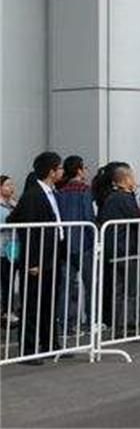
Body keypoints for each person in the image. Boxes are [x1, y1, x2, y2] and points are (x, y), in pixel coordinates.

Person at [7, 152, 67, 364]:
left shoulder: (52, 193)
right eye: (60, 168)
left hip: (52, 255)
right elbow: (29, 230)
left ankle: (50, 344)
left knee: (50, 302)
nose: (62, 171)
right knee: (32, 304)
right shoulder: (33, 195)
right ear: (51, 171)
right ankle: (28, 349)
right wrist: (32, 262)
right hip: (37, 259)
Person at [96, 165, 140, 335]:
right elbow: (136, 218)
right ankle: (127, 324)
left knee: (118, 290)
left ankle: (118, 324)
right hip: (128, 249)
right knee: (130, 290)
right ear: (126, 179)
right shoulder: (125, 198)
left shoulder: (110, 198)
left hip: (114, 250)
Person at [55, 155, 95, 333]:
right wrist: (95, 238)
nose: (86, 171)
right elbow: (88, 216)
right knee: (90, 284)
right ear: (79, 170)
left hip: (65, 244)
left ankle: (65, 324)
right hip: (84, 243)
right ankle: (91, 321)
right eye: (84, 167)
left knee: (66, 286)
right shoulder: (84, 190)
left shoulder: (60, 191)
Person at [0, 175, 19, 327]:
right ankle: (6, 311)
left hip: (15, 246)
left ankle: (10, 310)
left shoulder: (14, 203)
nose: (11, 188)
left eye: (11, 185)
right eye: (7, 185)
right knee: (5, 280)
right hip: (2, 247)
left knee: (11, 279)